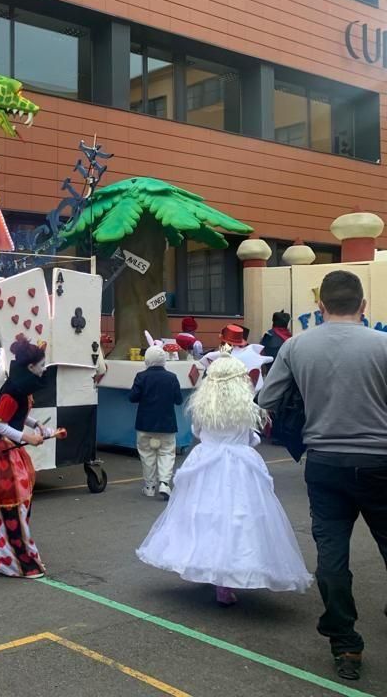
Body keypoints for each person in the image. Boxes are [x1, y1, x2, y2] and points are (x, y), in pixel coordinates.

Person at [259, 270, 387, 683]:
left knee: (332, 555)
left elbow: (267, 401)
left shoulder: (296, 346)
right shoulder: (383, 345)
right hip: (380, 462)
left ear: (321, 307)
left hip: (325, 463)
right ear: (363, 307)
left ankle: (345, 643)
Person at [137, 354, 311, 607]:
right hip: (240, 465)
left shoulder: (202, 407)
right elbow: (252, 438)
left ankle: (210, 567)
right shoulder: (248, 409)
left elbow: (198, 432)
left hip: (206, 461)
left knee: (204, 516)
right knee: (240, 518)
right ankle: (229, 576)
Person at [0, 336, 65, 578]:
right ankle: (17, 558)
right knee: (11, 503)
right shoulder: (13, 391)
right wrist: (27, 437)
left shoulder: (20, 387)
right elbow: (0, 425)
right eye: (41, 365)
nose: (43, 369)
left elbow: (16, 416)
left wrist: (36, 423)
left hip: (5, 447)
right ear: (30, 367)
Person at [129, 344, 183, 501]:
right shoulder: (172, 377)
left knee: (147, 455)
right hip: (167, 424)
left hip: (145, 424)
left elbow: (132, 397)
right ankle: (165, 483)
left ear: (147, 359)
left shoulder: (141, 376)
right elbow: (178, 400)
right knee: (166, 453)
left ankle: (149, 486)